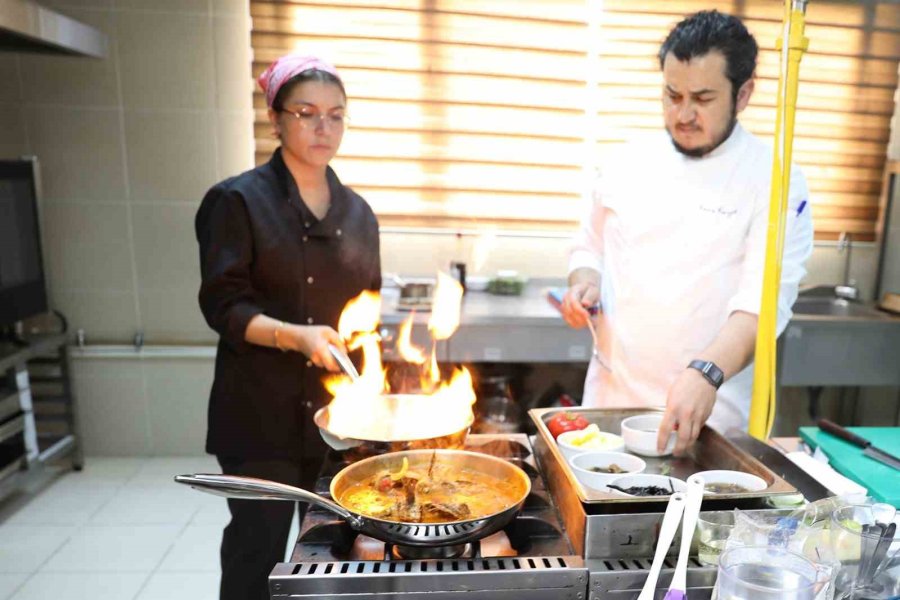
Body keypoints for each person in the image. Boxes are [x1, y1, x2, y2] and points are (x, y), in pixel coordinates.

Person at [560, 10, 813, 455]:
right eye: (672, 95)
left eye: (702, 98)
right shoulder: (626, 161)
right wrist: (585, 283)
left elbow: (760, 308)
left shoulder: (773, 180)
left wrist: (706, 373)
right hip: (608, 409)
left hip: (707, 419)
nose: (683, 114)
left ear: (743, 94)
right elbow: (588, 248)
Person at [195, 54, 381, 600]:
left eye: (336, 115)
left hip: (334, 420)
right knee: (258, 546)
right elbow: (223, 306)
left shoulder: (359, 214)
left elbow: (367, 314)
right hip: (259, 413)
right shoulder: (236, 201)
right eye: (306, 113)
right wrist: (295, 336)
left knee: (332, 550)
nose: (324, 127)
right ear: (275, 119)